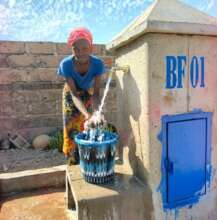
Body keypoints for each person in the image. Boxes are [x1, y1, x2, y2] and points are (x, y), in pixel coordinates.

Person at [57, 27, 106, 164]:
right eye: (76, 49)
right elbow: (74, 94)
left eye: (84, 48)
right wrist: (86, 114)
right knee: (72, 126)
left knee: (92, 124)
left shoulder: (97, 64)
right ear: (71, 49)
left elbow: (96, 94)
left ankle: (89, 158)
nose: (80, 52)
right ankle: (72, 161)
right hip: (71, 93)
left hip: (89, 91)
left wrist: (96, 113)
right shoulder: (66, 65)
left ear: (91, 48)